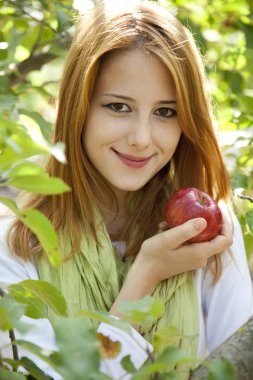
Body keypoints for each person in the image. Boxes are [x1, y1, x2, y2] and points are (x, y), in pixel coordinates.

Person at [0, 1, 253, 379]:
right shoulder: (17, 242)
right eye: (118, 107)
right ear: (78, 108)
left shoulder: (208, 234)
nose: (141, 138)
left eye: (166, 112)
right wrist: (146, 275)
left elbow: (236, 365)